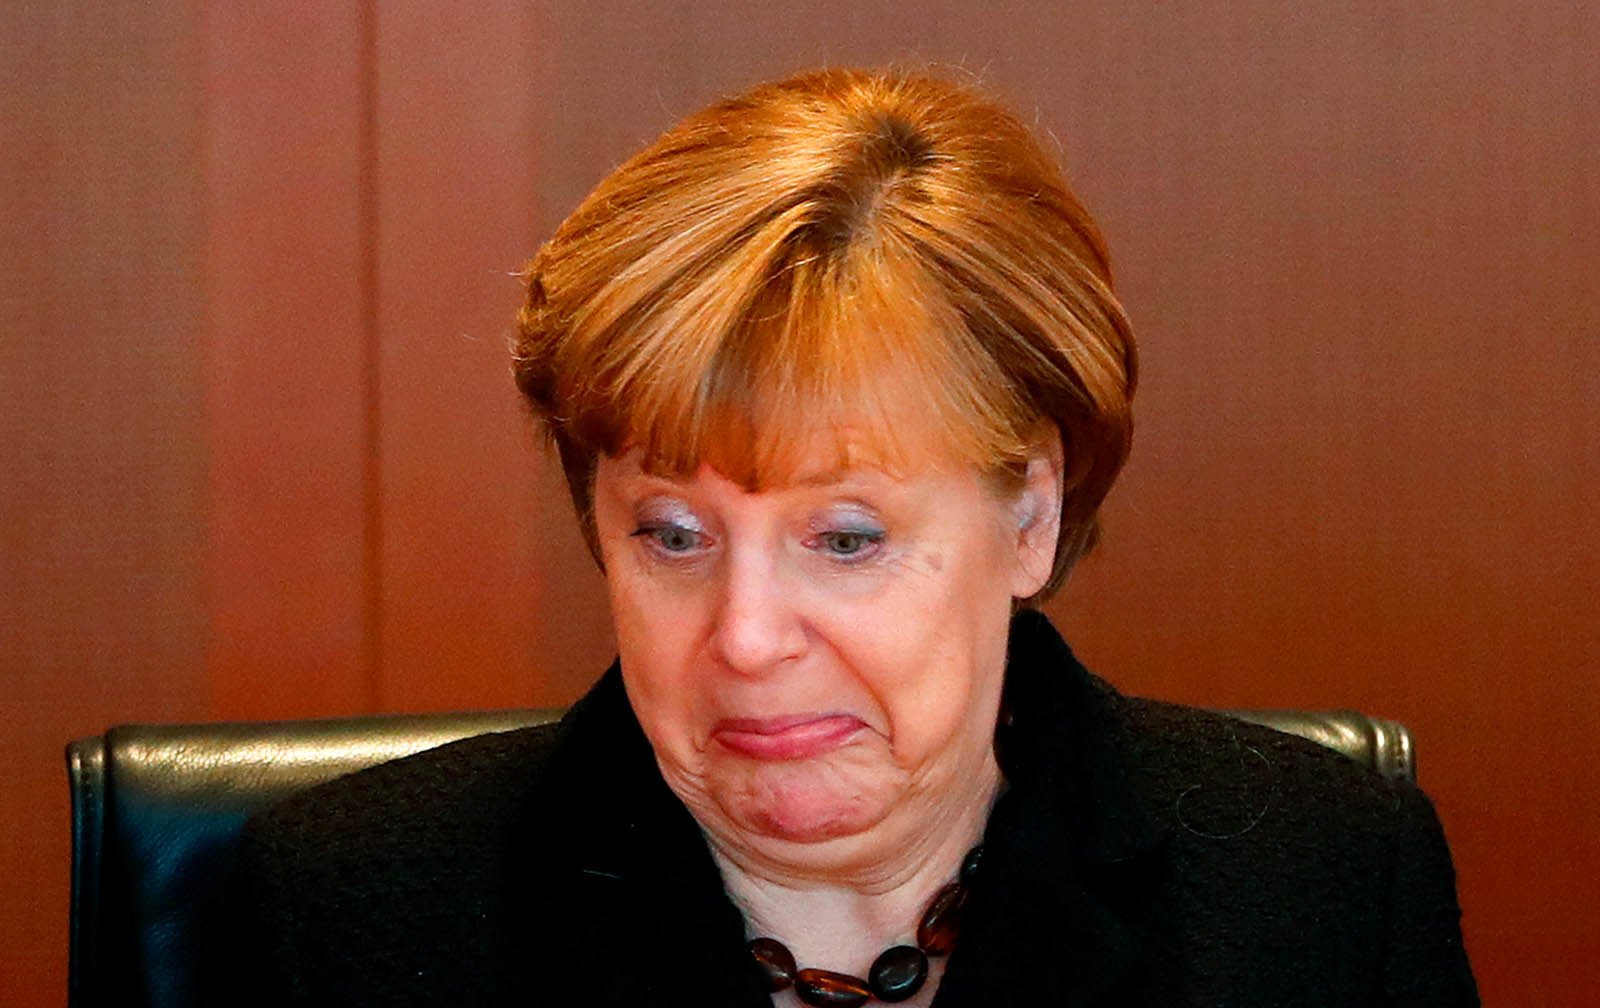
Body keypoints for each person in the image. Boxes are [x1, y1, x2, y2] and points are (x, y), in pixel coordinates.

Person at [231, 67, 1477, 1006]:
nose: (746, 638)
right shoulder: (352, 914)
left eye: (843, 539)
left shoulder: (1319, 887)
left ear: (1030, 516)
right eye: (673, 536)